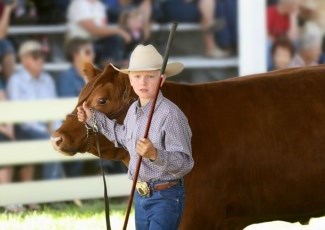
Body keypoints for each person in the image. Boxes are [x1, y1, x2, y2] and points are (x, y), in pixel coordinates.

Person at [77, 44, 194, 229]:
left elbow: (185, 163)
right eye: (137, 76)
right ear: (130, 79)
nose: (143, 82)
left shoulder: (171, 115)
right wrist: (93, 119)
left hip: (166, 196)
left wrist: (155, 154)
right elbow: (123, 136)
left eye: (150, 77)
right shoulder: (133, 110)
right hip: (141, 195)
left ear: (161, 79)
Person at [6, 40, 63, 183]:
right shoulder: (16, 81)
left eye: (42, 57)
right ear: (24, 60)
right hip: (25, 129)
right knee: (52, 142)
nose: (41, 61)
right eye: (36, 57)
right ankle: (52, 193)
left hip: (47, 128)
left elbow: (54, 109)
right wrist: (46, 130)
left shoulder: (47, 79)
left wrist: (56, 129)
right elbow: (20, 117)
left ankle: (54, 191)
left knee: (61, 138)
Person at [66, 0, 131, 65]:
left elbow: (104, 28)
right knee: (116, 36)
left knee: (118, 37)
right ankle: (110, 65)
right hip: (79, 43)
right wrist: (118, 31)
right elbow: (94, 30)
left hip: (96, 41)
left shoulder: (98, 4)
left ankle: (114, 64)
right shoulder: (79, 4)